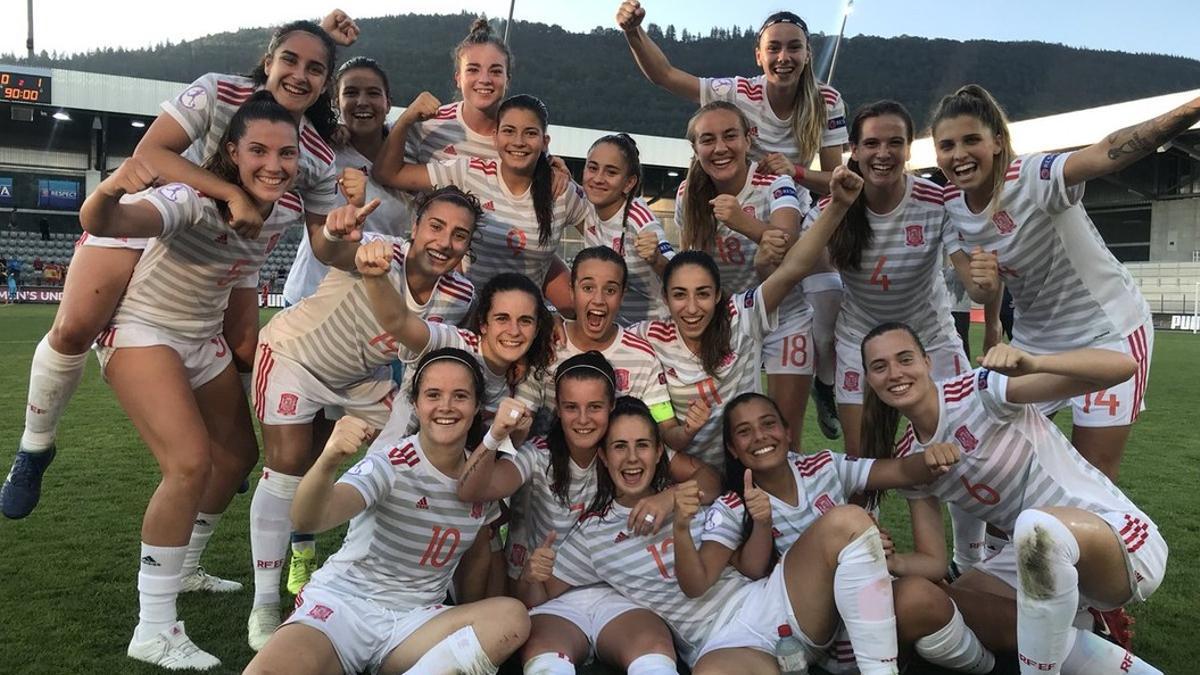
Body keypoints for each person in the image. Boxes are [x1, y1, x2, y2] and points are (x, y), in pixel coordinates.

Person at [2, 13, 354, 520]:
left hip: (228, 249)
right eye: (290, 61)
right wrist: (231, 193)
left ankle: (228, 461)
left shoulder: (318, 154)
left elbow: (322, 242)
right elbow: (153, 151)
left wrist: (347, 237)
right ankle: (35, 446)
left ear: (325, 82)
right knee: (77, 326)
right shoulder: (217, 91)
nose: (300, 75)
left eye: (316, 68)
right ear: (267, 62)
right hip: (155, 215)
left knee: (244, 350)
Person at [79, 92, 306, 668]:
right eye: (257, 150)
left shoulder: (282, 211)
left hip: (201, 338)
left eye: (286, 152)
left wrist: (248, 348)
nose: (272, 164)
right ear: (231, 151)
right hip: (143, 331)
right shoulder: (190, 197)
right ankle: (153, 629)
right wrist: (110, 189)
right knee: (188, 465)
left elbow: (241, 283)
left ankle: (182, 570)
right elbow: (107, 220)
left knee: (234, 457)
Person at [246, 186, 481, 650]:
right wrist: (335, 231)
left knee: (400, 453)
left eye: (460, 235)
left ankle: (352, 558)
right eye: (436, 226)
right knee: (289, 465)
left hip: (359, 379)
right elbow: (333, 248)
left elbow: (421, 347)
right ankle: (265, 603)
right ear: (414, 226)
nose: (444, 241)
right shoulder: (379, 249)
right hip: (295, 356)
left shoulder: (459, 290)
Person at [860, 322, 1168, 675]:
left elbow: (1122, 368)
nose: (895, 373)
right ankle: (1089, 636)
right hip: (1031, 556)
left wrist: (1035, 363)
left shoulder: (981, 390)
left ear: (928, 363)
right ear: (869, 380)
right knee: (938, 601)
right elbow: (932, 563)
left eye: (905, 359)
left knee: (1038, 528)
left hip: (1115, 539)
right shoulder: (911, 458)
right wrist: (887, 560)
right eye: (880, 366)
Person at [933, 85, 1200, 480]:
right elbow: (982, 286)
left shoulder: (1033, 177)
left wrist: (1193, 107)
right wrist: (990, 321)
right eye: (947, 145)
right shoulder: (950, 206)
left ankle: (1105, 539)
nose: (959, 155)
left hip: (1109, 332)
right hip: (1034, 340)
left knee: (1093, 474)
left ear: (997, 142)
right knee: (991, 455)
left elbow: (1105, 152)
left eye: (971, 139)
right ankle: (995, 546)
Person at [522, 397, 898, 674]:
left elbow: (740, 559)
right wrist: (535, 575)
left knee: (846, 519)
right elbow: (540, 596)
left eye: (643, 446)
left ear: (659, 455)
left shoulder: (695, 494)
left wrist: (671, 501)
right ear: (604, 457)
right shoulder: (592, 533)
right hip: (718, 642)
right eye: (620, 447)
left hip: (772, 602)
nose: (632, 459)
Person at [617, 2, 850, 440]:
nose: (784, 56)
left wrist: (790, 175)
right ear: (758, 55)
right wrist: (633, 33)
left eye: (794, 48)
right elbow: (667, 76)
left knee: (819, 270)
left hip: (783, 215)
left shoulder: (823, 103)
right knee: (726, 436)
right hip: (734, 314)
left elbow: (833, 180)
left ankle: (827, 376)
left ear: (749, 139)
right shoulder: (732, 101)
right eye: (774, 48)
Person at [245, 348, 530, 675]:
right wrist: (328, 460)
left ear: (477, 406)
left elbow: (478, 552)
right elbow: (309, 519)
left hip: (415, 622)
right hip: (345, 608)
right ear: (416, 403)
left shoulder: (479, 476)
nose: (446, 407)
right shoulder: (392, 463)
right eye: (433, 395)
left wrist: (467, 621)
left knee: (511, 618)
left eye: (460, 396)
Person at [457, 352, 718, 674]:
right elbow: (471, 491)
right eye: (571, 408)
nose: (583, 419)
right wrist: (496, 435)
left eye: (594, 407)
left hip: (620, 592)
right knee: (547, 662)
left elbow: (709, 479)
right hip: (549, 594)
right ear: (558, 410)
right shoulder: (539, 456)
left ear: (611, 406)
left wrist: (670, 497)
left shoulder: (626, 447)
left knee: (654, 658)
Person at [708, 392, 994, 673]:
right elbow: (753, 572)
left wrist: (929, 458)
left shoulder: (822, 466)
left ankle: (987, 665)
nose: (759, 436)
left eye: (768, 424)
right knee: (846, 522)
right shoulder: (733, 505)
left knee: (922, 595)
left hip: (873, 610)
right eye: (744, 431)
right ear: (732, 448)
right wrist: (762, 522)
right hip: (815, 632)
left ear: (787, 430)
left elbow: (898, 471)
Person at [634, 165, 864, 470]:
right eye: (679, 295)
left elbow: (793, 268)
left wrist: (838, 206)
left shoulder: (740, 317)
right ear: (666, 298)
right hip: (686, 475)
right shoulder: (649, 336)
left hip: (744, 473)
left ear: (719, 296)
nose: (691, 307)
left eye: (703, 293)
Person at [674, 100, 814, 450]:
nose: (720, 148)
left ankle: (787, 504)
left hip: (784, 316)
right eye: (708, 139)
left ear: (748, 139)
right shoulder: (687, 194)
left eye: (730, 136)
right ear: (695, 148)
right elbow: (690, 265)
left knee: (782, 432)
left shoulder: (774, 181)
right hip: (731, 322)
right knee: (729, 432)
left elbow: (788, 243)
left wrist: (741, 222)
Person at [374, 93, 588, 294]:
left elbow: (606, 231)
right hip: (469, 316)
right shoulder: (469, 173)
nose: (519, 141)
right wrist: (406, 119)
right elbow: (389, 173)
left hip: (523, 321)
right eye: (509, 131)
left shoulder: (560, 191)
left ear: (545, 142)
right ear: (495, 137)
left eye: (530, 133)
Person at [355, 237, 554, 432]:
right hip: (397, 457)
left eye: (525, 321)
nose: (514, 331)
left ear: (537, 329)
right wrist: (375, 277)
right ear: (483, 324)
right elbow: (398, 322)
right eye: (502, 318)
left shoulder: (520, 379)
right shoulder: (455, 344)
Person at [282, 56, 415, 306]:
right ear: (336, 102)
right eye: (351, 92)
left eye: (373, 93)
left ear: (388, 103)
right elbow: (280, 108)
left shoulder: (410, 157)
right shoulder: (320, 148)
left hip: (375, 302)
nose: (362, 102)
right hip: (310, 296)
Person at [580, 133, 673, 326]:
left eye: (611, 172)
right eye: (592, 168)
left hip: (653, 329)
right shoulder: (585, 204)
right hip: (614, 326)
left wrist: (656, 259)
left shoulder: (639, 220)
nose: (598, 178)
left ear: (629, 183)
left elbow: (679, 271)